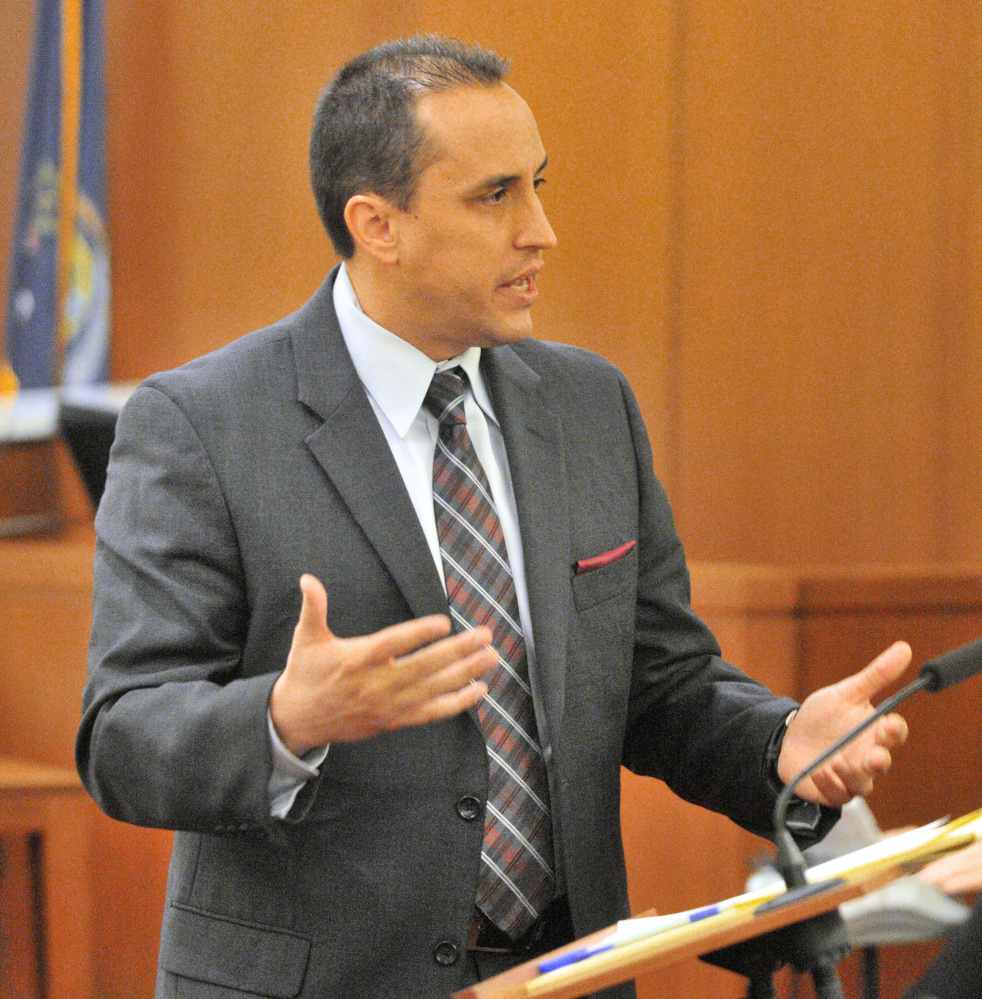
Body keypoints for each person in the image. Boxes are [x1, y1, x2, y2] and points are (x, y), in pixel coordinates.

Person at [76, 36, 910, 999]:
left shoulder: (590, 405)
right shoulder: (202, 424)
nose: (541, 230)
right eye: (495, 195)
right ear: (377, 224)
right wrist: (285, 717)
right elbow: (123, 735)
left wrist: (782, 741)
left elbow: (659, 680)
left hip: (568, 975)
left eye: (539, 185)